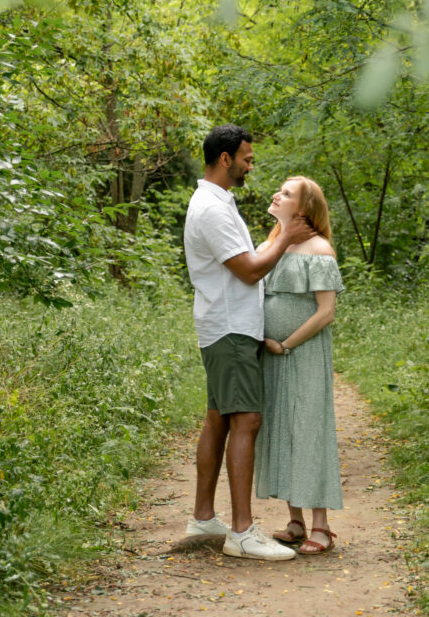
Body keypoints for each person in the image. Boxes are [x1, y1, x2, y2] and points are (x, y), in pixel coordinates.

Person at [183, 124, 313, 561]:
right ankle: (242, 532)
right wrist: (289, 239)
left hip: (226, 325)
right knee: (247, 421)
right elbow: (250, 270)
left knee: (219, 418)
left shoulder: (219, 202)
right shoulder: (211, 209)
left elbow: (249, 255)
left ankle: (204, 518)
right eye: (246, 158)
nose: (250, 165)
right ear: (225, 159)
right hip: (230, 328)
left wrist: (279, 233)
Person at [254, 176, 344, 554]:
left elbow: (326, 312)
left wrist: (286, 344)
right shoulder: (269, 245)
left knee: (308, 428)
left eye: (287, 193)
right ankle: (295, 522)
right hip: (270, 355)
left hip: (302, 352)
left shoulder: (319, 249)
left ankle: (321, 527)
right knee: (280, 428)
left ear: (304, 209)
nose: (277, 195)